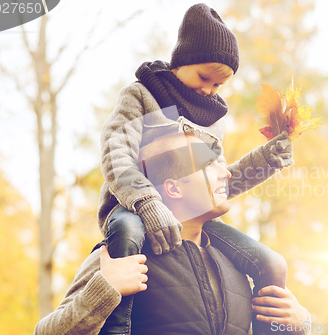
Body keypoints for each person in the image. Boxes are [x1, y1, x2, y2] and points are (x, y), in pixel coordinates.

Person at [99, 3, 294, 334]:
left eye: (218, 86)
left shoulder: (213, 122)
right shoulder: (142, 96)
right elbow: (116, 152)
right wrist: (147, 203)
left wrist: (264, 160)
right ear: (181, 63)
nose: (208, 89)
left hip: (187, 212)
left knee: (271, 262)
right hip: (132, 205)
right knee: (128, 234)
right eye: (204, 77)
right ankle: (117, 326)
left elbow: (212, 180)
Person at [34, 133, 310, 335]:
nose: (225, 173)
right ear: (174, 188)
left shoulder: (237, 265)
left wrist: (301, 325)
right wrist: (104, 290)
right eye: (209, 165)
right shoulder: (121, 258)